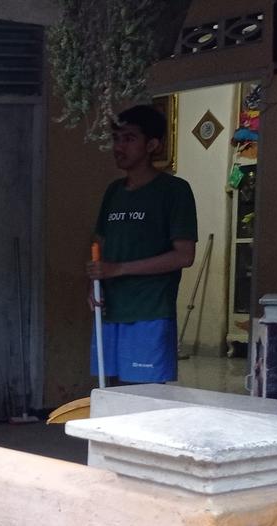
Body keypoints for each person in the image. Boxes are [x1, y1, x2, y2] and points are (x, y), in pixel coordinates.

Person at [86, 104, 197, 384]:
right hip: (110, 312)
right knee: (108, 394)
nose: (119, 146)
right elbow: (100, 245)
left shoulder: (174, 191)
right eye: (116, 138)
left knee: (142, 399)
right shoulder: (114, 191)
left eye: (129, 138)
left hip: (149, 313)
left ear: (152, 145)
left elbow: (184, 256)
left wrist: (118, 269)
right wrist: (94, 284)